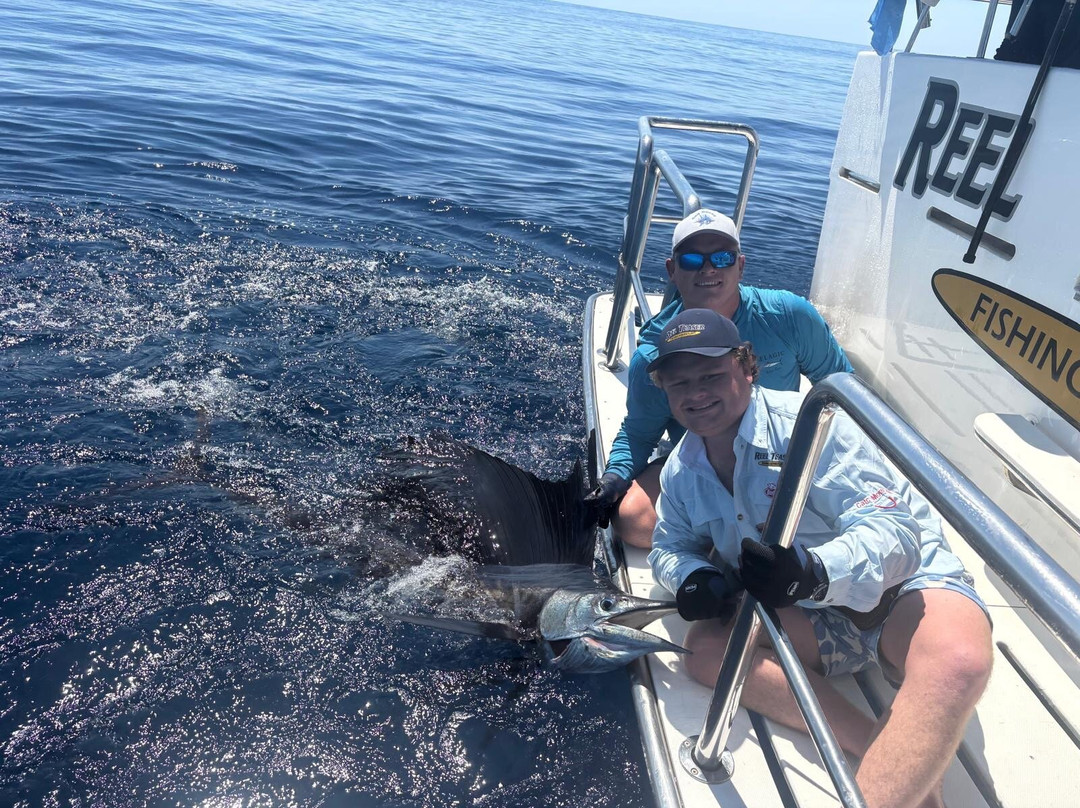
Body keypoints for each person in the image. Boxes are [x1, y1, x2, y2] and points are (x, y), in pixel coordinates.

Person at [645, 308, 993, 808]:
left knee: (960, 663)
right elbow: (669, 545)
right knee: (703, 649)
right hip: (818, 619)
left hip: (902, 593)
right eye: (680, 384)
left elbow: (896, 531)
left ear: (747, 367)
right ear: (665, 391)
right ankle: (875, 743)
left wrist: (815, 572)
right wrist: (693, 575)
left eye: (711, 375)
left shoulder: (815, 424)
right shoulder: (682, 470)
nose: (696, 393)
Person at [586, 208, 852, 548]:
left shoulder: (789, 314)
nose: (709, 268)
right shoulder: (655, 354)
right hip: (705, 463)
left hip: (783, 452)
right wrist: (613, 479)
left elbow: (840, 389)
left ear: (740, 265)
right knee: (633, 521)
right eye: (693, 259)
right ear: (672, 270)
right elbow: (639, 433)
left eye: (722, 257)